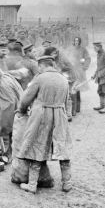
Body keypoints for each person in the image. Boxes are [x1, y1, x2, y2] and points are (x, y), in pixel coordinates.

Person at [16, 55, 73, 193]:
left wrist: (22, 110)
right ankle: (67, 183)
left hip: (41, 116)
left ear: (42, 65)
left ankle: (32, 185)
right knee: (61, 148)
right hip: (60, 115)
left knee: (36, 147)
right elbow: (67, 100)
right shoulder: (63, 79)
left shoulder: (40, 78)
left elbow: (26, 98)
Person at [65, 36, 91, 114]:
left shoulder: (83, 49)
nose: (76, 42)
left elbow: (88, 58)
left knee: (77, 88)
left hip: (79, 70)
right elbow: (67, 57)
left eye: (77, 41)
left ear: (79, 42)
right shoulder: (71, 49)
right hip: (72, 70)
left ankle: (77, 108)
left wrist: (84, 67)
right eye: (75, 41)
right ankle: (73, 109)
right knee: (72, 88)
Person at [91, 41, 105, 114]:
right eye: (93, 47)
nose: (94, 49)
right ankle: (102, 106)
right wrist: (94, 75)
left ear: (100, 47)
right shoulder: (99, 54)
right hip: (100, 78)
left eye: (95, 47)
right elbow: (99, 67)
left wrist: (100, 74)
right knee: (100, 91)